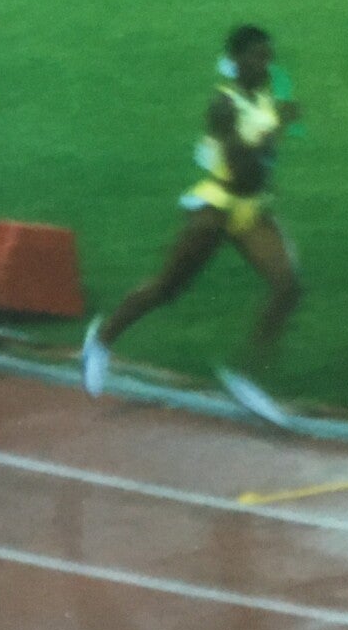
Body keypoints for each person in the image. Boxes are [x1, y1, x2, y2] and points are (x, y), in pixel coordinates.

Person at [81, 26, 304, 426]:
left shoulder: (267, 94)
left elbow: (267, 159)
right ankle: (100, 340)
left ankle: (246, 377)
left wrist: (277, 131)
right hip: (217, 205)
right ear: (236, 60)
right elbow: (239, 166)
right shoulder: (223, 105)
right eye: (257, 57)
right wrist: (274, 129)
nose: (266, 65)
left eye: (269, 57)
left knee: (287, 286)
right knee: (168, 287)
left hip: (252, 208)